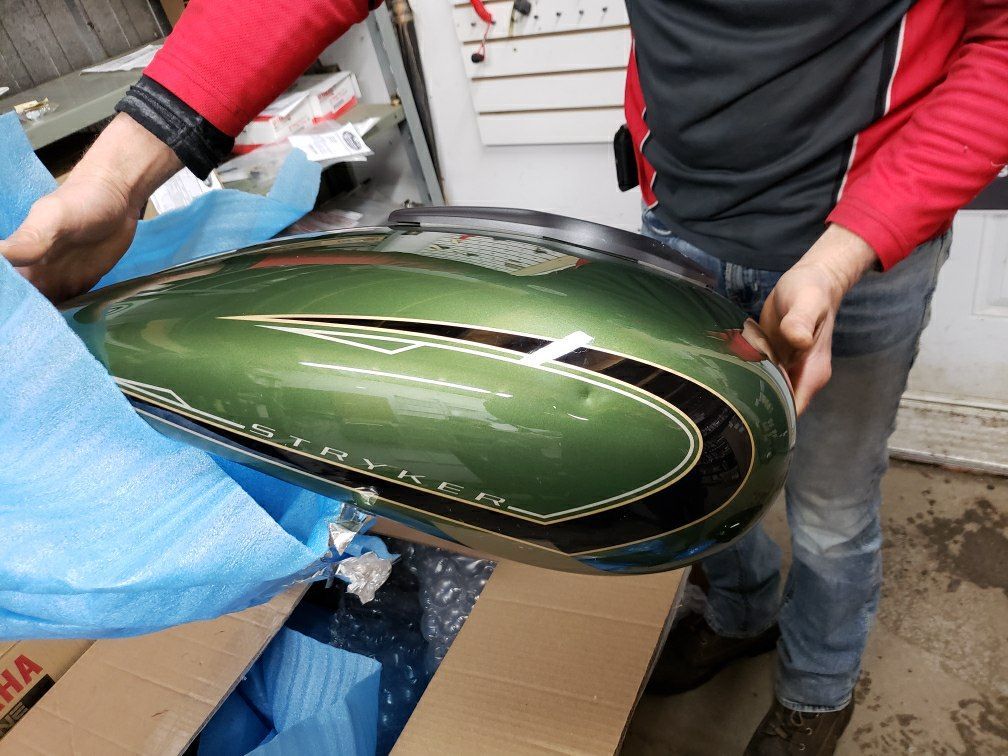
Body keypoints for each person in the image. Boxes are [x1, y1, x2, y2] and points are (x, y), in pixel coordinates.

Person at [2, 1, 1005, 753]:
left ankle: (816, 695)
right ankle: (742, 616)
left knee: (828, 505)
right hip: (683, 219)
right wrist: (114, 174)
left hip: (864, 245)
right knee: (689, 462)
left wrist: (849, 250)